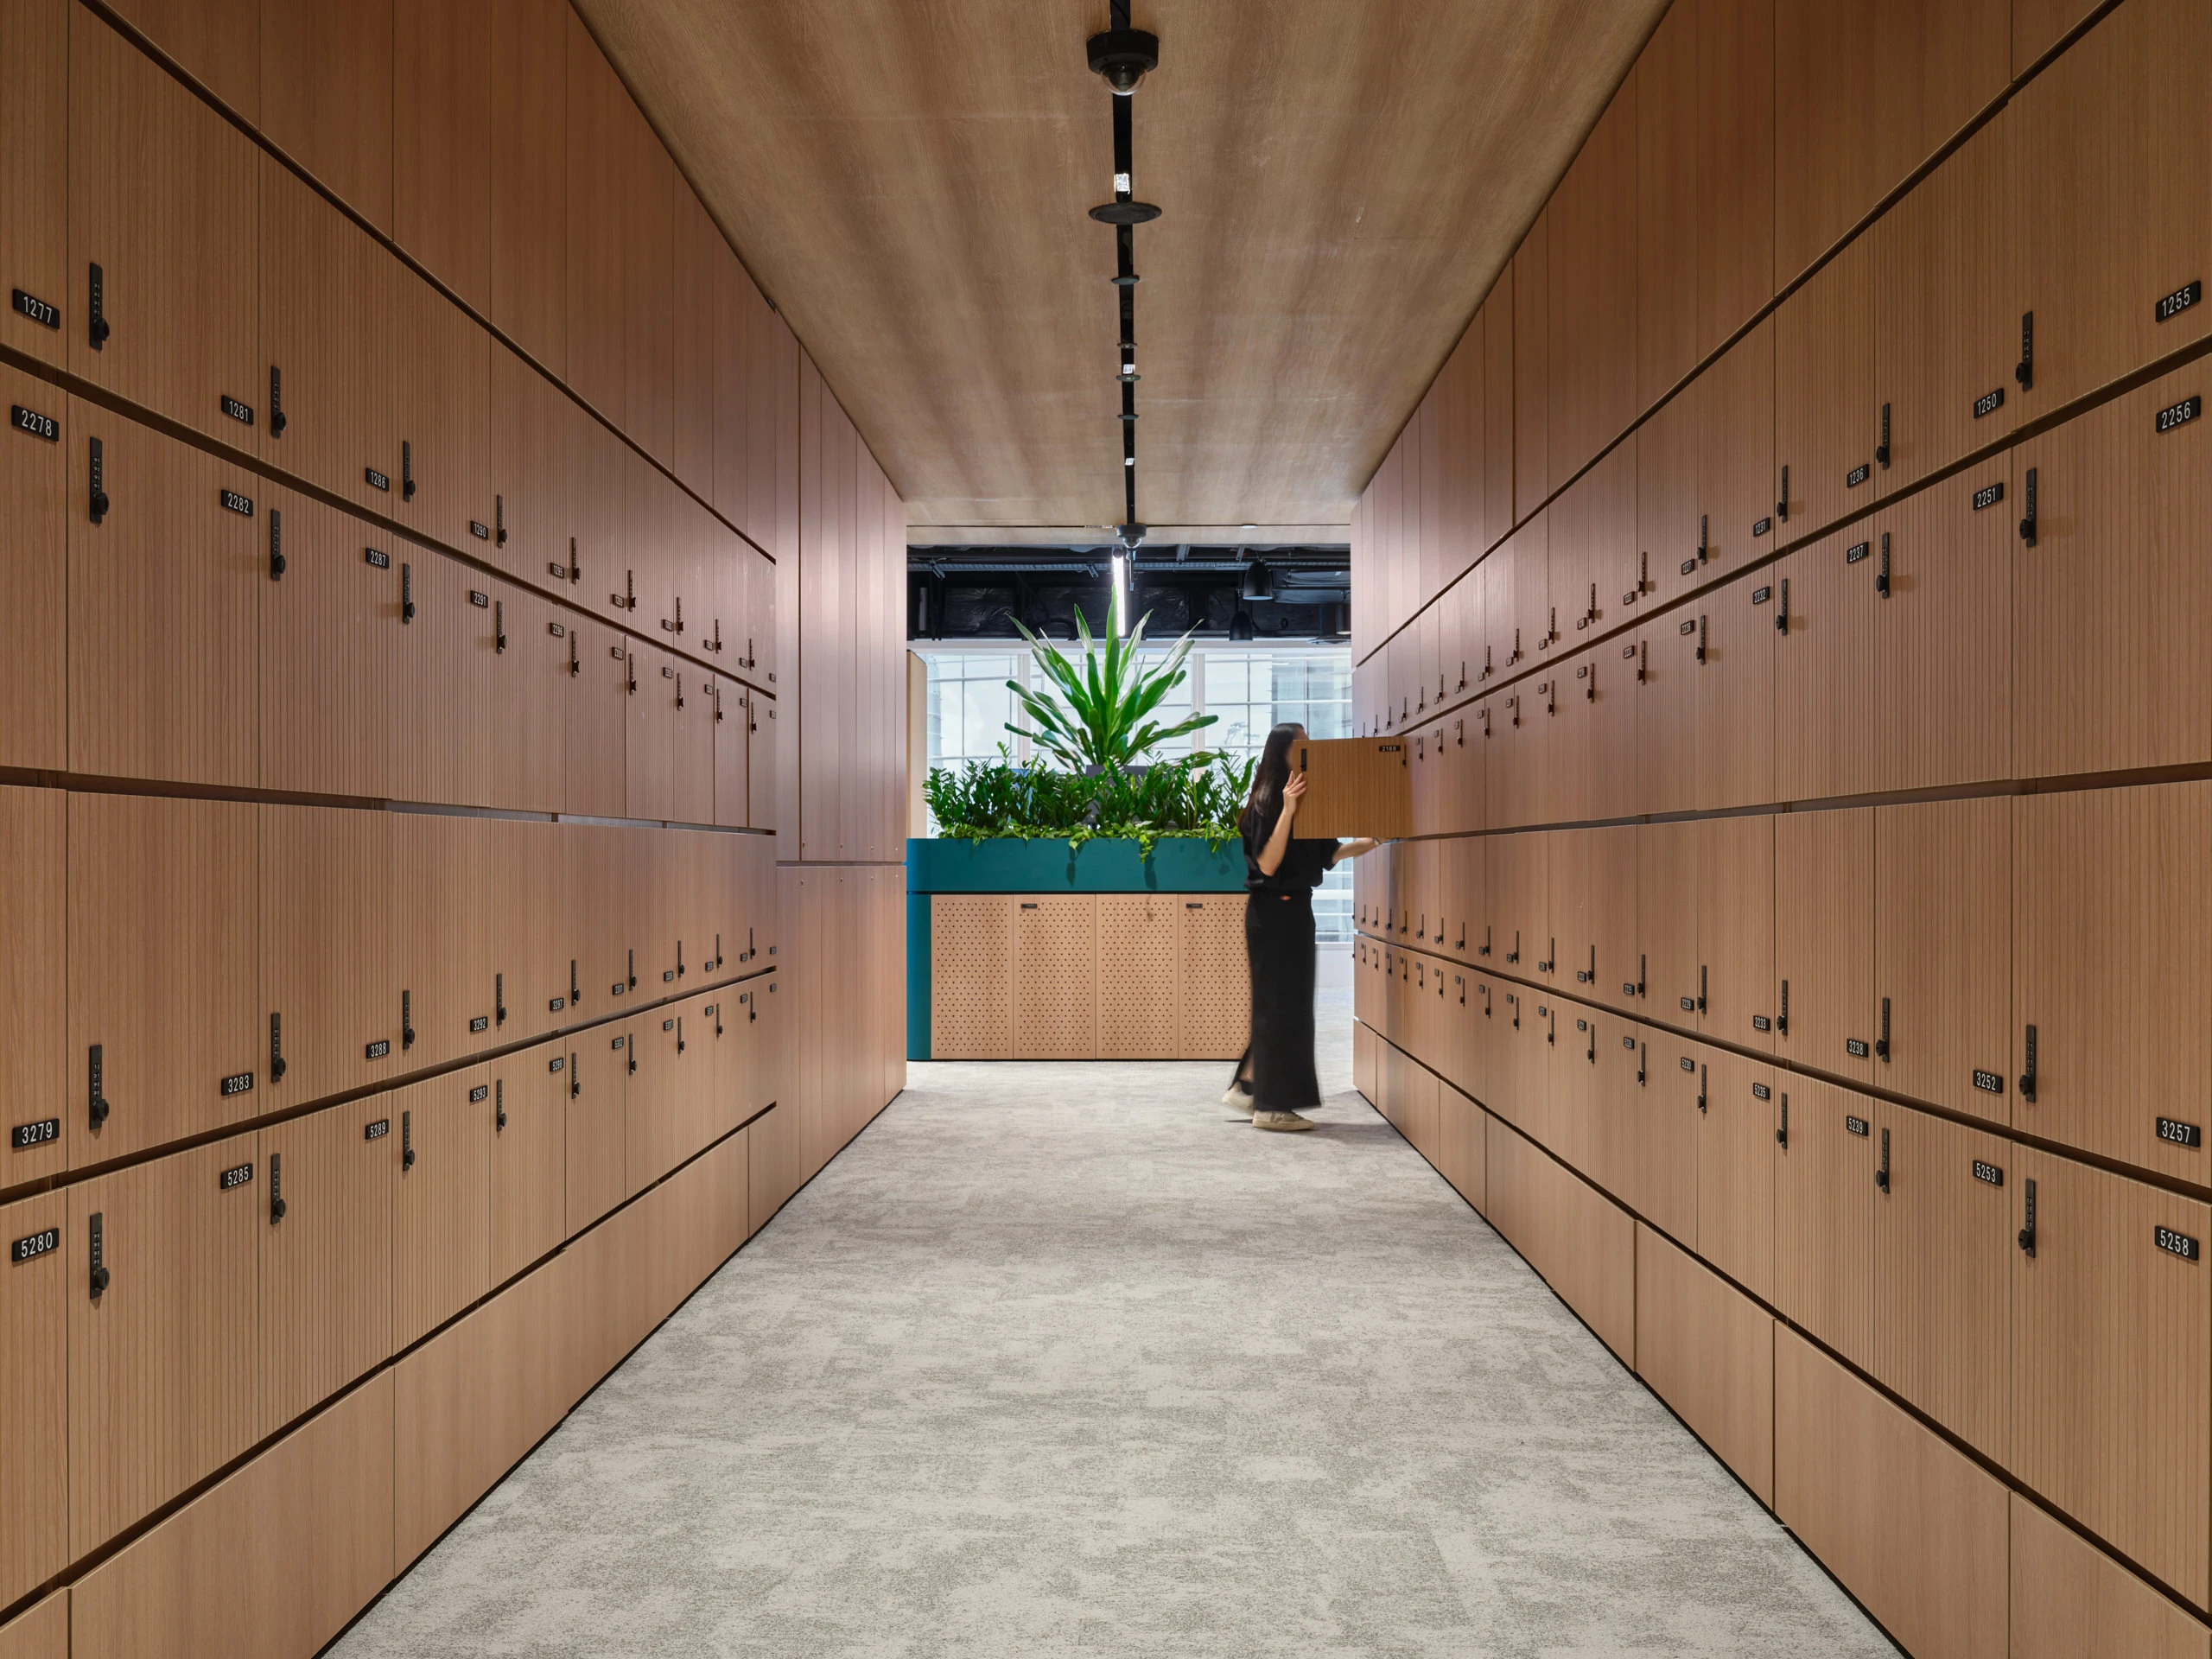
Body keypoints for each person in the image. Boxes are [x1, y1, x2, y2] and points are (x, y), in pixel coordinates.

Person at [1224, 722, 1377, 1130]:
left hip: (1296, 913)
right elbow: (1268, 864)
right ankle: (1272, 1108)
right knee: (1280, 1009)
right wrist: (1289, 811)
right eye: (1302, 745)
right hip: (1271, 913)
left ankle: (1247, 1087)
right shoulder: (1263, 804)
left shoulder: (1313, 801)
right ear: (1283, 754)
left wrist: (1372, 840)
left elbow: (1329, 855)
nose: (1310, 751)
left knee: (1285, 1007)